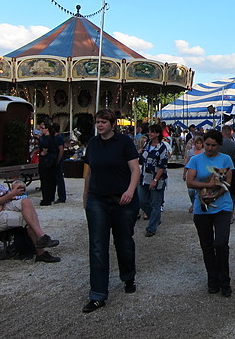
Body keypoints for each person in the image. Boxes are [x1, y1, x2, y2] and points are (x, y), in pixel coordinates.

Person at [82, 108, 141, 314]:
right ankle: (97, 294)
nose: (100, 125)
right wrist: (86, 196)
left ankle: (128, 276)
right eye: (97, 122)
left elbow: (135, 169)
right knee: (98, 245)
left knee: (123, 241)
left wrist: (130, 191)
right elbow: (89, 172)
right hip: (98, 199)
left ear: (112, 124)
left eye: (104, 122)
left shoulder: (124, 143)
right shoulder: (93, 144)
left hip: (122, 199)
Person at [186, 129, 235, 297]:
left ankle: (225, 280)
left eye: (214, 145)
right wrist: (205, 191)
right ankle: (212, 280)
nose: (210, 148)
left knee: (221, 244)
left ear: (219, 145)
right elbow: (189, 182)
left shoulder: (226, 159)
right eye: (207, 144)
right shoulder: (195, 160)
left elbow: (228, 183)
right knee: (207, 246)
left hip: (222, 206)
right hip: (202, 208)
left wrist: (214, 195)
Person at [137, 123, 169, 237]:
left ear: (158, 134)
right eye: (150, 131)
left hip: (157, 178)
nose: (150, 134)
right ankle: (154, 218)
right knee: (142, 200)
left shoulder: (162, 148)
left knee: (156, 203)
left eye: (152, 132)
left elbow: (162, 166)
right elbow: (142, 161)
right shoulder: (147, 144)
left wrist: (155, 179)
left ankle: (151, 228)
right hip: (144, 177)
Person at [38, 121, 62, 206]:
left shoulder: (45, 138)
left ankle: (46, 199)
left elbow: (45, 148)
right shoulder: (53, 137)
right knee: (51, 180)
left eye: (42, 128)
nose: (41, 130)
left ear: (46, 129)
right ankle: (51, 197)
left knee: (45, 180)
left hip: (46, 161)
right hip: (52, 160)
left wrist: (43, 153)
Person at [183, 135, 204, 213]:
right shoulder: (191, 152)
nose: (199, 145)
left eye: (200, 143)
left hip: (201, 173)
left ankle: (200, 203)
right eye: (197, 143)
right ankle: (193, 203)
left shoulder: (204, 152)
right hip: (192, 173)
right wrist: (184, 173)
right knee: (191, 190)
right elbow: (187, 162)